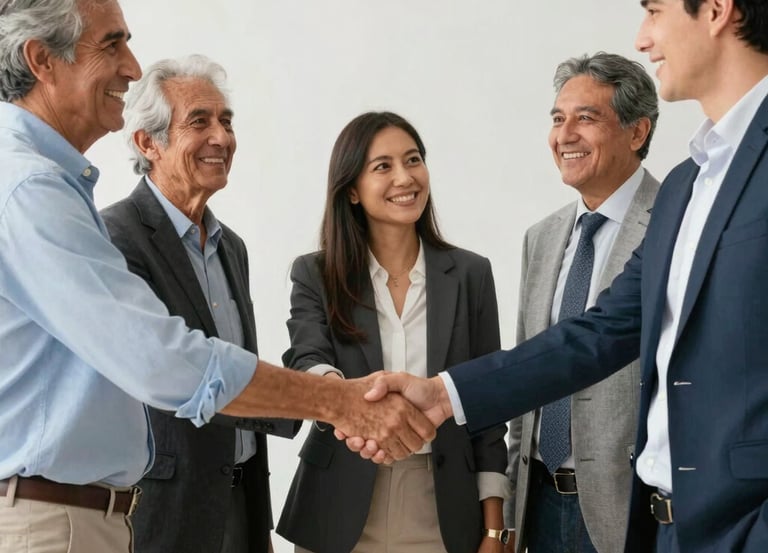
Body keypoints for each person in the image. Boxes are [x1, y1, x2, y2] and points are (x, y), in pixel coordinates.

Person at [0, 2, 434, 551]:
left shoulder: (227, 247)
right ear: (42, 59)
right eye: (111, 44)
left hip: (165, 509)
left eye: (226, 120)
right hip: (90, 518)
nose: (131, 67)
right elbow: (165, 361)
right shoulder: (34, 192)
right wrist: (339, 402)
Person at [356, 1, 768, 551]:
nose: (644, 39)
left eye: (654, 11)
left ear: (716, 11)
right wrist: (444, 394)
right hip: (663, 526)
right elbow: (597, 335)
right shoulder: (687, 186)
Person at [276, 112, 509, 553]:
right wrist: (341, 399)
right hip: (337, 501)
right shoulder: (316, 274)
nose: (405, 177)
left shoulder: (470, 275)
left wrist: (495, 528)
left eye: (413, 160)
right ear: (351, 191)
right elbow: (307, 357)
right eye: (382, 166)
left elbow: (488, 406)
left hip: (442, 505)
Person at [100, 55, 299, 553]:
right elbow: (173, 373)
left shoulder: (232, 247)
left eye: (226, 121)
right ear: (148, 142)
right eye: (200, 121)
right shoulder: (115, 236)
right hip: (165, 507)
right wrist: (313, 399)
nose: (222, 137)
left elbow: (234, 366)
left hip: (243, 499)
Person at [505, 52, 659, 553]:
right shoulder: (541, 238)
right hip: (540, 507)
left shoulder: (673, 226)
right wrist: (509, 512)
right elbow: (525, 378)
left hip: (632, 509)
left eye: (586, 118)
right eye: (557, 118)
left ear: (638, 132)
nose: (564, 134)